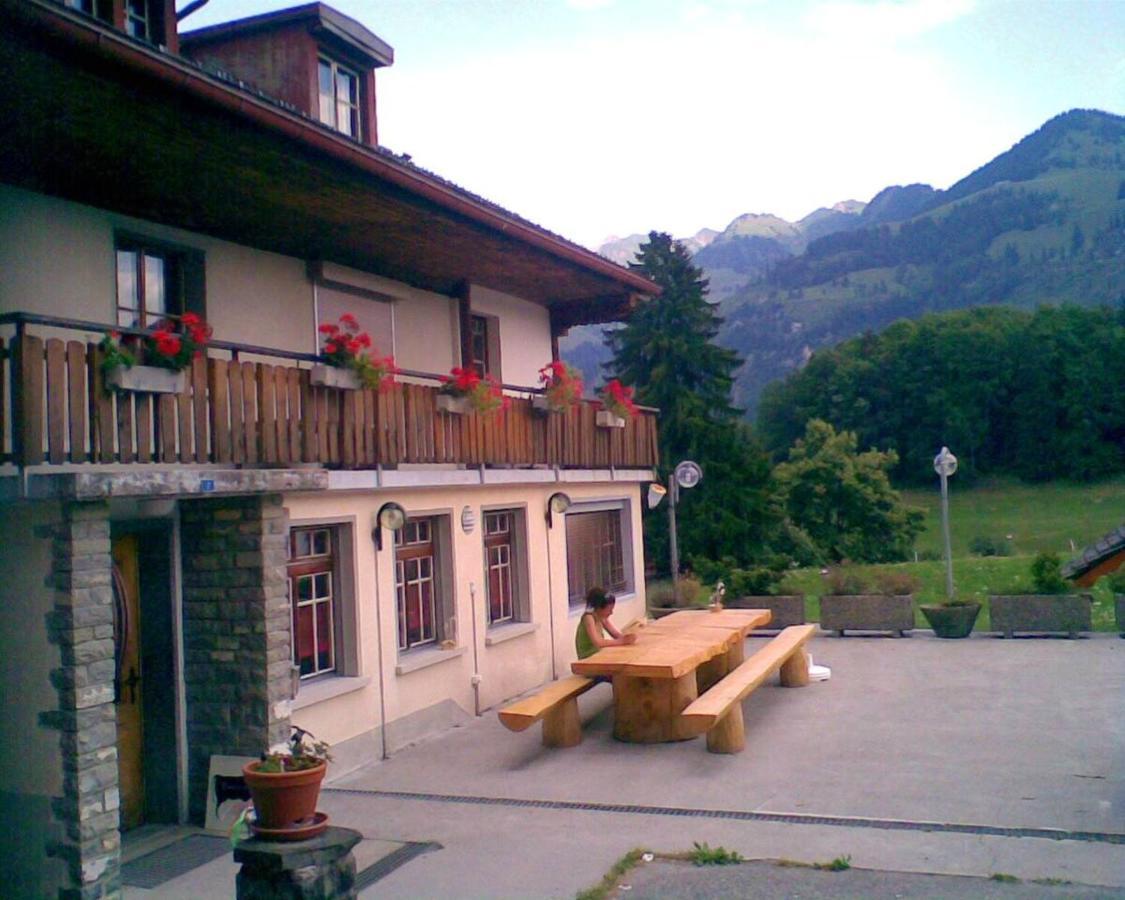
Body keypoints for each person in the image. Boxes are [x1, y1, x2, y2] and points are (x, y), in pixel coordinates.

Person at [575, 587, 637, 660]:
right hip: (589, 658)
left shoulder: (602, 618)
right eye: (609, 610)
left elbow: (616, 634)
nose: (611, 613)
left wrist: (628, 637)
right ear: (599, 608)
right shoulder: (589, 618)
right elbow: (598, 642)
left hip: (598, 654)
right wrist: (621, 641)